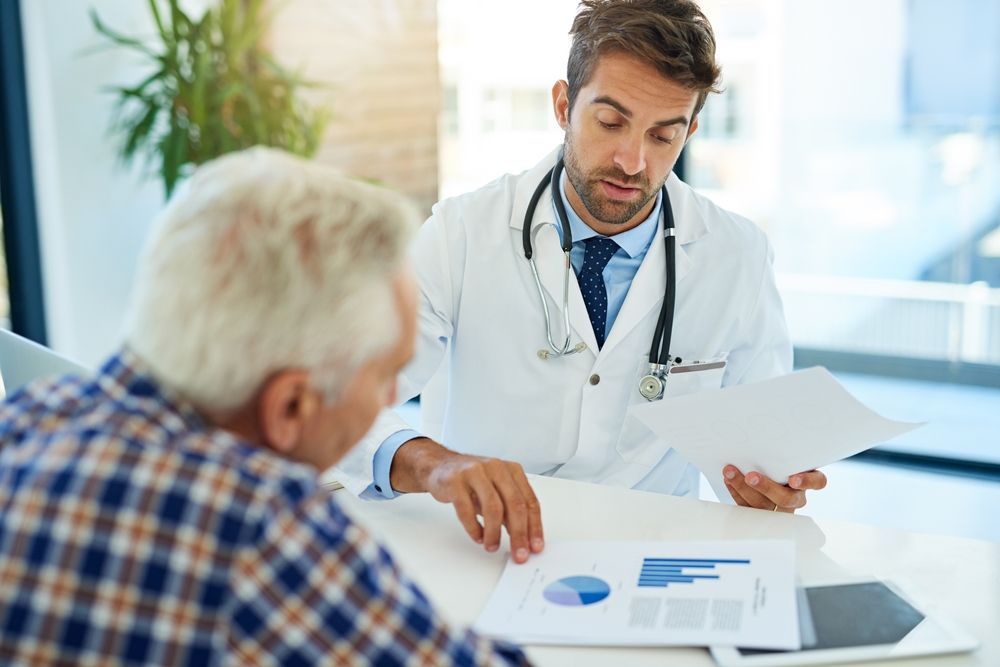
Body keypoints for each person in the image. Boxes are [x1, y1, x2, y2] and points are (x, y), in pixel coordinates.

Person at [336, 0, 828, 565]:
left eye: (663, 136)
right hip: (482, 548)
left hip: (651, 559)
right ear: (564, 105)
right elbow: (344, 401)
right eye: (611, 122)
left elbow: (756, 452)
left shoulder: (736, 254)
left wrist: (767, 492)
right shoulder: (462, 234)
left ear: (690, 131)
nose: (632, 161)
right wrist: (435, 463)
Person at [0, 148, 527, 665]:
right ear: (290, 408)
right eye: (386, 377)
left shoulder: (29, 414)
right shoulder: (260, 531)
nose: (393, 400)